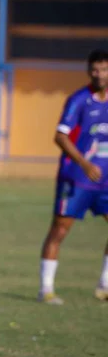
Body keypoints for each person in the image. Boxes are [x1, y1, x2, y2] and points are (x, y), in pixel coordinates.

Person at [38, 49, 108, 305]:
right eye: (95, 69)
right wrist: (84, 163)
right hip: (76, 177)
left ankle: (105, 284)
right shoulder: (79, 100)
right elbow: (60, 136)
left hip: (105, 181)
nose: (99, 74)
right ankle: (46, 289)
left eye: (103, 69)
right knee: (59, 230)